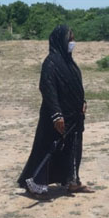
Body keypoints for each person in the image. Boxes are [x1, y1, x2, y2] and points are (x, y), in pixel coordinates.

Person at [17, 25, 94, 198]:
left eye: (73, 39)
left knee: (72, 149)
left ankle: (72, 182)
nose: (72, 42)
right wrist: (57, 115)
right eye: (70, 39)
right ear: (61, 40)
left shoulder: (69, 62)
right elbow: (47, 89)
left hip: (74, 117)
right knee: (47, 150)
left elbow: (75, 87)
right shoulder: (51, 63)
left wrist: (82, 102)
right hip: (56, 118)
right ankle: (34, 185)